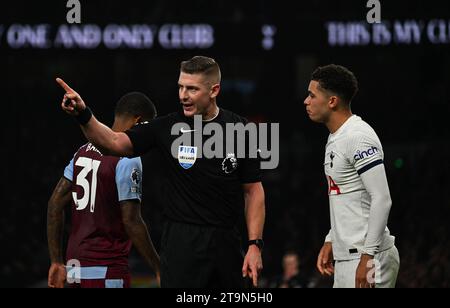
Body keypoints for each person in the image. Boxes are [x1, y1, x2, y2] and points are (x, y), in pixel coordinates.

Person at [55, 56, 265, 288]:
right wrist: (84, 114)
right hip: (181, 246)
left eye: (192, 89)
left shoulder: (242, 130)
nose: (183, 95)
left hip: (227, 244)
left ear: (214, 90)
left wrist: (255, 244)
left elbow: (253, 191)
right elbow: (113, 142)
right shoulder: (166, 127)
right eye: (181, 87)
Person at [47, 92, 160, 288]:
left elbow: (54, 204)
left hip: (74, 269)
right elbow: (131, 220)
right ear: (138, 122)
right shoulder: (128, 159)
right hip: (108, 269)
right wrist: (159, 267)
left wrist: (56, 261)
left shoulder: (82, 151)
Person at [304, 64, 400, 288]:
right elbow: (347, 197)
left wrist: (367, 258)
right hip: (349, 257)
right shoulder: (337, 136)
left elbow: (382, 199)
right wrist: (331, 239)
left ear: (332, 101)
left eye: (311, 95)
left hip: (368, 259)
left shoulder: (358, 136)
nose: (306, 101)